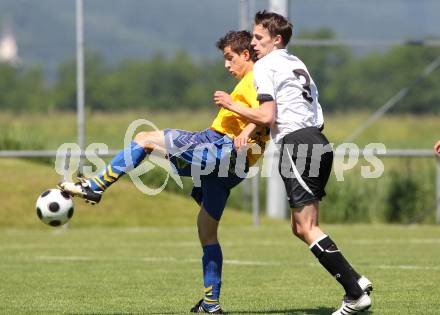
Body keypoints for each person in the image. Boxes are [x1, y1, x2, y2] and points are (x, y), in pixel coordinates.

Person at [58, 30, 269, 314]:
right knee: (206, 231)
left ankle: (96, 185)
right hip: (237, 166)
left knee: (145, 139)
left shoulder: (255, 78)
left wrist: (240, 122)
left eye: (229, 58)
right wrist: (246, 129)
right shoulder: (265, 78)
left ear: (246, 54)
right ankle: (211, 305)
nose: (226, 65)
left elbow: (267, 114)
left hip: (218, 145)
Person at [214, 11, 372, 315]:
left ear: (277, 39)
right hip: (318, 142)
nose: (253, 42)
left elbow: (268, 116)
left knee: (306, 226)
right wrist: (251, 128)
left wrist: (232, 105)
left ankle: (354, 295)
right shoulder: (296, 63)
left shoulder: (264, 67)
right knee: (299, 228)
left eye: (259, 37)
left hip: (296, 145)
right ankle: (356, 280)